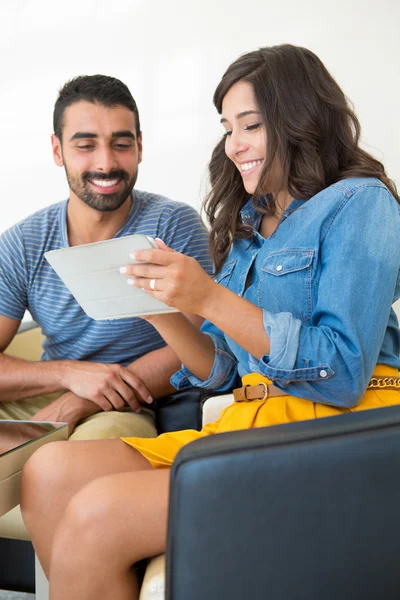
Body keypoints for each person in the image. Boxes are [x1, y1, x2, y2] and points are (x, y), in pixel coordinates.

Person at [21, 44, 400, 599]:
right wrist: (160, 310)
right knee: (47, 472)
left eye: (250, 125)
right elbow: (221, 370)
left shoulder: (360, 204)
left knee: (97, 516)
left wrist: (210, 298)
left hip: (336, 434)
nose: (233, 145)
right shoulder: (250, 225)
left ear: (298, 119)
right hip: (251, 422)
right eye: (227, 127)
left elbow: (342, 372)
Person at [0, 74, 212, 441]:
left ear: (140, 147)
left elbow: (199, 348)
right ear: (57, 150)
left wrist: (87, 399)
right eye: (86, 145)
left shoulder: (174, 225)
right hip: (45, 393)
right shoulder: (22, 243)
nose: (106, 162)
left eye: (121, 143)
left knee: (68, 462)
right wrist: (68, 375)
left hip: (131, 402)